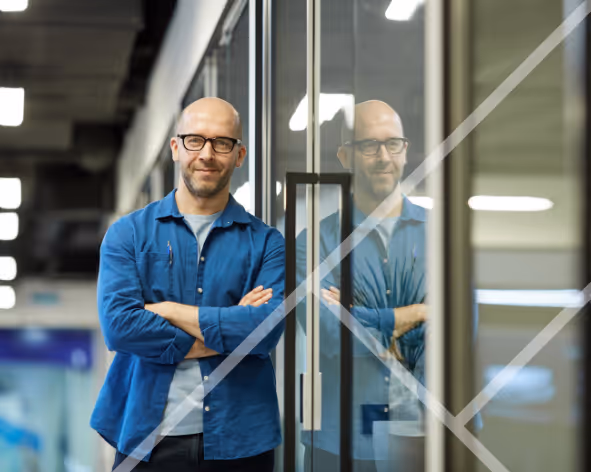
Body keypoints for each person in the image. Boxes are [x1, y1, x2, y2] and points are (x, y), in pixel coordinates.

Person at [90, 97, 285, 472]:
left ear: (240, 154)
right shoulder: (128, 234)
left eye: (221, 143)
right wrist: (230, 329)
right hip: (147, 437)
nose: (207, 154)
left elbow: (263, 332)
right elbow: (120, 328)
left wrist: (168, 312)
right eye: (195, 140)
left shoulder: (266, 243)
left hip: (242, 440)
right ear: (176, 147)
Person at [297, 100, 428, 472]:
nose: (383, 156)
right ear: (345, 156)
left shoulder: (443, 235)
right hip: (341, 444)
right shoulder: (315, 244)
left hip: (425, 437)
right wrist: (417, 313)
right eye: (369, 145)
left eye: (393, 144)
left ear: (406, 151)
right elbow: (330, 334)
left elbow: (457, 330)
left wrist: (362, 316)